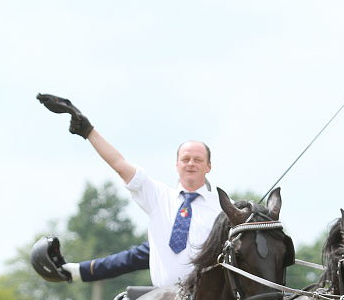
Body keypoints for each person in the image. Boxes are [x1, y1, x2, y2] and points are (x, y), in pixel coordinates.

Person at [36, 93, 222, 287]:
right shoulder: (158, 195)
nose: (191, 164)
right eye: (185, 159)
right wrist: (88, 131)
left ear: (208, 166)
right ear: (176, 164)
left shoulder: (224, 209)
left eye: (198, 160)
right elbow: (120, 164)